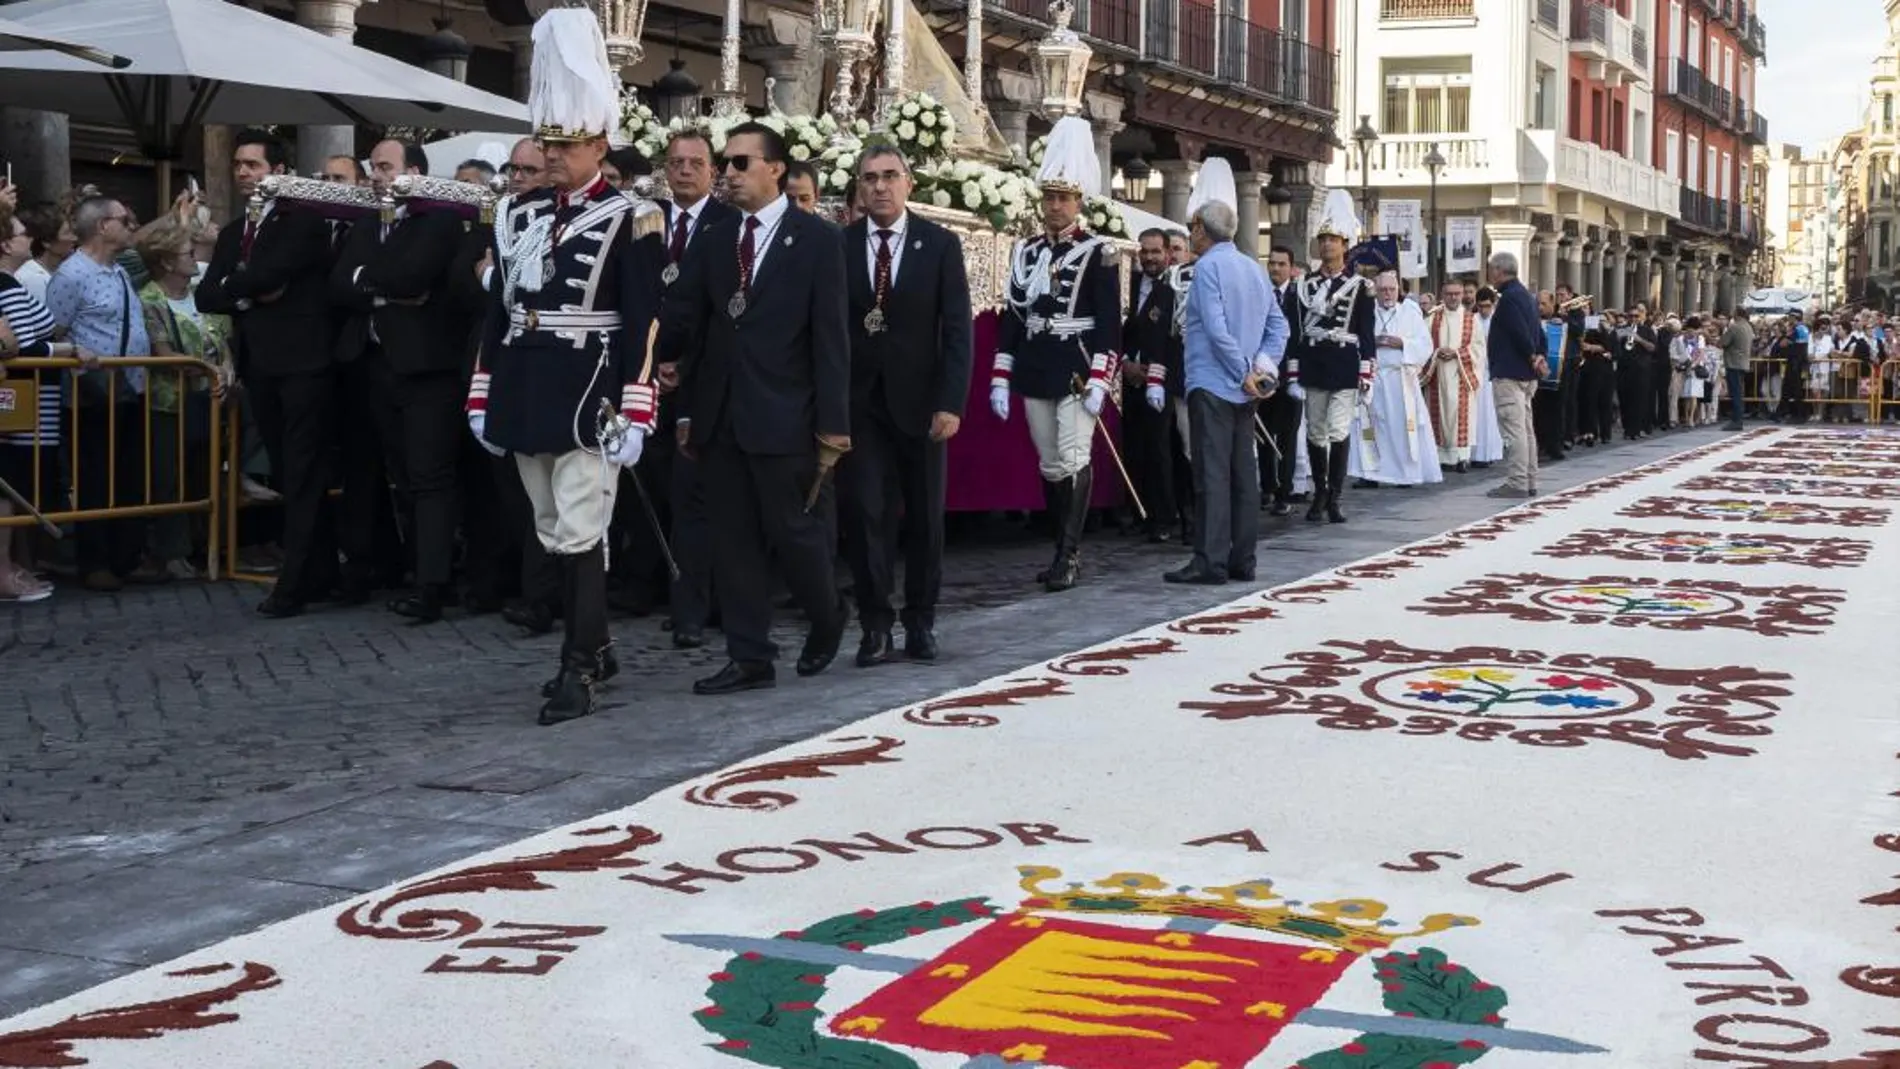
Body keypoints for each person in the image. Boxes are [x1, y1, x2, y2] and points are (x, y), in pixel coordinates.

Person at [468, 8, 662, 723]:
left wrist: (639, 406)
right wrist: (482, 394)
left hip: (590, 388)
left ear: (600, 144)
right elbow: (500, 312)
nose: (551, 155)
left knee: (580, 530)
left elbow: (645, 321)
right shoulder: (514, 215)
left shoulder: (630, 216)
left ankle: (578, 666)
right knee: (552, 528)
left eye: (567, 142)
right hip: (524, 380)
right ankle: (598, 641)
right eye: (546, 141)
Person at [663, 120, 850, 695]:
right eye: (728, 163)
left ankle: (827, 614)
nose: (730, 174)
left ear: (776, 169)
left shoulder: (816, 239)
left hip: (786, 413)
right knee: (732, 539)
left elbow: (831, 338)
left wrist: (833, 426)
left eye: (742, 163)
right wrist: (678, 392)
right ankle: (750, 655)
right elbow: (694, 325)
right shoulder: (716, 238)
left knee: (793, 532)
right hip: (722, 414)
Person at [838, 143, 972, 666]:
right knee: (866, 514)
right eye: (869, 178)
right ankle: (874, 625)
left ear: (909, 183)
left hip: (921, 405)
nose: (879, 186)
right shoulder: (841, 245)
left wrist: (950, 402)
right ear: (858, 187)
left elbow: (957, 331)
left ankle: (921, 619)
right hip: (860, 403)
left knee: (924, 518)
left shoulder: (938, 245)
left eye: (890, 176)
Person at [198, 129, 342, 617]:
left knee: (302, 471)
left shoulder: (304, 222)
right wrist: (248, 292)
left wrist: (244, 286)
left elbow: (269, 274)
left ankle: (295, 582)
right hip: (260, 364)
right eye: (238, 164)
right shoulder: (231, 231)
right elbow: (207, 295)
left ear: (278, 172)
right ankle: (322, 570)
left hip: (304, 363)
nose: (242, 172)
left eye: (253, 165)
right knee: (286, 470)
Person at [333, 138, 472, 623]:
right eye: (372, 167)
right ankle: (418, 567)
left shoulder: (439, 221)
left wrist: (370, 282)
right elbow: (340, 284)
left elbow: (413, 276)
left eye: (386, 166)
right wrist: (380, 289)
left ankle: (434, 582)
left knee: (430, 475)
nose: (376, 175)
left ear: (413, 171)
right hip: (378, 364)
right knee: (402, 476)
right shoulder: (371, 223)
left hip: (428, 369)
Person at [987, 115, 1120, 590]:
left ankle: (1070, 554)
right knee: (1048, 463)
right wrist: (1001, 375)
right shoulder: (1025, 251)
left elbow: (1109, 324)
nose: (1055, 206)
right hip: (1036, 364)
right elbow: (1014, 316)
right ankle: (1061, 548)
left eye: (1063, 198)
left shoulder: (1098, 252)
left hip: (1076, 366)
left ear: (1079, 201)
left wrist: (1103, 379)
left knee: (1071, 455)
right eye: (1049, 197)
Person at [1165, 191, 1286, 586]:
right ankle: (1242, 558)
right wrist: (1261, 368)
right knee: (1242, 474)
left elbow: (1215, 329)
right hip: (1244, 387)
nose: (1190, 234)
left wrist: (1242, 371)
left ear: (1200, 229)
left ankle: (1210, 559)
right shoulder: (1253, 267)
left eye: (1191, 227)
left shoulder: (1206, 268)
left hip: (1214, 381)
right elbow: (1278, 327)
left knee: (1212, 474)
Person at [650, 128, 739, 650]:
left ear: (712, 172)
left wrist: (682, 360)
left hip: (701, 374)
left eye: (695, 163)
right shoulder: (645, 220)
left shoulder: (728, 225)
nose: (684, 170)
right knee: (669, 495)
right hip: (648, 371)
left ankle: (715, 604)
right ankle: (679, 601)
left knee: (707, 496)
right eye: (676, 162)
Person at [46, 194, 159, 592]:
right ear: (101, 227)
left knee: (128, 475)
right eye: (123, 220)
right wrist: (76, 356)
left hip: (131, 386)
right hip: (91, 392)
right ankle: (94, 560)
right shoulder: (72, 275)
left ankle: (125, 556)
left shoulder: (119, 273)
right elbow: (53, 331)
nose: (130, 225)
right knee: (95, 477)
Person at [137, 219, 231, 582]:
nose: (194, 258)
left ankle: (205, 544)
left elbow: (220, 335)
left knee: (203, 473)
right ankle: (171, 551)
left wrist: (224, 368)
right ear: (165, 262)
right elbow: (162, 351)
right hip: (168, 401)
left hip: (209, 400)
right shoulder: (151, 298)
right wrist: (205, 370)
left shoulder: (199, 291)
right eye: (187, 253)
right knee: (168, 476)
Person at [1282, 190, 1373, 524]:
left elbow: (1366, 334)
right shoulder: (1304, 285)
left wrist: (1366, 374)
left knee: (1338, 432)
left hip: (1345, 365)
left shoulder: (1360, 286)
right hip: (1314, 365)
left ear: (1345, 244)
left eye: (1333, 239)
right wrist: (1293, 374)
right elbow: (1294, 334)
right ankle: (1319, 490)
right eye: (1323, 240)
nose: (1327, 246)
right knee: (1316, 433)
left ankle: (1335, 495)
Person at [0, 203, 71, 602]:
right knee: (14, 489)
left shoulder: (12, 285)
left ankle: (16, 566)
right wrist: (70, 349)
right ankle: (8, 571)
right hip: (22, 409)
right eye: (20, 231)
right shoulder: (5, 286)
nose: (28, 236)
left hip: (28, 407)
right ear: (6, 243)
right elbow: (20, 346)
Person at [1349, 270, 1441, 488]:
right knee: (1370, 427)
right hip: (1373, 378)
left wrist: (1402, 344)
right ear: (1376, 292)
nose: (1387, 294)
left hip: (1400, 381)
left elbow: (1425, 345)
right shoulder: (1367, 312)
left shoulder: (1409, 313)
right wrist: (1374, 341)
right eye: (1382, 290)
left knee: (1402, 429)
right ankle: (1370, 474)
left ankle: (1404, 474)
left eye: (1391, 289)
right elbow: (1354, 340)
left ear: (1398, 290)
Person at [1119, 227, 1178, 541]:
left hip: (1160, 379)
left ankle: (1163, 516)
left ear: (1167, 253)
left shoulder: (1174, 289)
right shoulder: (1127, 285)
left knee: (1159, 449)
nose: (1150, 258)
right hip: (1128, 377)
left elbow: (1171, 339)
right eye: (1145, 251)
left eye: (1156, 251)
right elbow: (1119, 328)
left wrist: (1154, 374)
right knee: (1133, 447)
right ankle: (1137, 510)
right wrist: (1125, 364)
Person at [1483, 251, 1544, 499]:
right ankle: (1529, 479)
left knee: (1514, 429)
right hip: (1527, 374)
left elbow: (1519, 332)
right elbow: (1538, 331)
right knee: (1526, 429)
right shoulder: (1527, 297)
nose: (1490, 275)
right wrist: (1539, 355)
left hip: (1510, 372)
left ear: (1499, 270)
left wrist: (1531, 354)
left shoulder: (1508, 299)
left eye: (1491, 270)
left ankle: (1517, 481)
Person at [1419, 277, 1485, 473]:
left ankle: (1461, 458)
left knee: (1461, 416)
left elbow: (1479, 348)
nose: (1454, 297)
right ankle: (1438, 457)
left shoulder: (1472, 319)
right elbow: (1422, 345)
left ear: (1462, 294)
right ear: (1442, 295)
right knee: (1437, 414)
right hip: (1437, 374)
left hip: (1461, 374)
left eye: (1457, 293)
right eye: (1449, 294)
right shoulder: (1431, 318)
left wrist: (1457, 353)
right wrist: (1437, 352)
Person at [1259, 244, 1304, 513]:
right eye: (1272, 263)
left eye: (1281, 264)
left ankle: (1284, 493)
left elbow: (1299, 338)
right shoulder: (1260, 294)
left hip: (1290, 375)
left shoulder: (1299, 298)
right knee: (1264, 435)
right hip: (1263, 375)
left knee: (1287, 436)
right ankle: (1267, 486)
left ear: (1291, 267)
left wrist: (1298, 376)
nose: (1275, 268)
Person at [15, 204, 73, 303]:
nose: (74, 238)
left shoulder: (64, 271)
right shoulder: (33, 279)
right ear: (47, 242)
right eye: (67, 233)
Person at [1618, 303, 1655, 439]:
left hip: (1641, 370)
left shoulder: (1647, 330)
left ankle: (1635, 429)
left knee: (1638, 400)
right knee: (1624, 400)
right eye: (1631, 316)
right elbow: (1614, 343)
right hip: (1624, 369)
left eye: (1636, 316)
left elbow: (1652, 348)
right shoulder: (1622, 329)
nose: (1633, 318)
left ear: (1640, 317)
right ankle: (1627, 428)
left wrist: (1639, 340)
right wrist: (1620, 336)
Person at [1717, 309, 1754, 430]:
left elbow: (1723, 342)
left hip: (1733, 363)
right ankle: (1738, 419)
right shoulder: (1748, 326)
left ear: (1737, 314)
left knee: (1735, 393)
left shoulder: (1735, 327)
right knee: (1738, 391)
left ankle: (1736, 420)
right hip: (1743, 363)